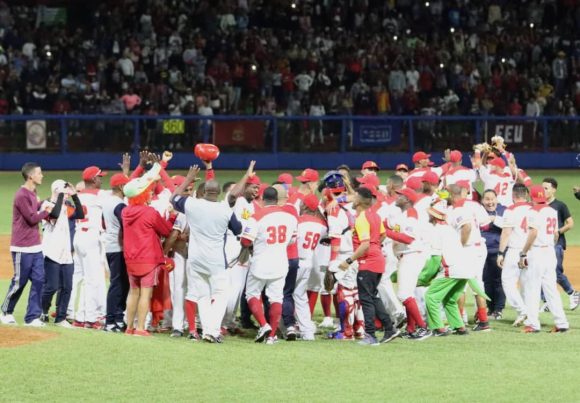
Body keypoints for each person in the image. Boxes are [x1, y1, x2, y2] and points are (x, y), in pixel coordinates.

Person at [171, 169, 242, 343]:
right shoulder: (224, 209)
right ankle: (212, 331)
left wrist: (188, 179)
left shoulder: (192, 204)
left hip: (195, 258)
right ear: (218, 193)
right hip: (216, 260)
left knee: (202, 296)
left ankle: (207, 331)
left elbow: (173, 198)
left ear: (204, 192)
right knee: (220, 295)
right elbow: (238, 229)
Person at [338, 187, 400, 345]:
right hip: (378, 260)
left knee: (366, 299)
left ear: (359, 201)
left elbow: (365, 244)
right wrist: (375, 248)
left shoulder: (361, 218)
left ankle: (370, 336)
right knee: (373, 296)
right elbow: (383, 234)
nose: (352, 199)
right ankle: (389, 328)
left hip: (368, 262)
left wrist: (349, 261)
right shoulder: (375, 215)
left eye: (354, 197)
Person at [122, 163, 176, 337]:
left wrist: (155, 169)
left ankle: (129, 327)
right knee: (146, 294)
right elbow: (166, 230)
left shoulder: (125, 211)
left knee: (133, 291)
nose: (151, 192)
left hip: (130, 257)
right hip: (148, 258)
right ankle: (140, 329)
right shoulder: (150, 212)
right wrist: (173, 215)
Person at [241, 187, 298, 345]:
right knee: (276, 298)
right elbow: (292, 240)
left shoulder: (257, 216)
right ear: (277, 200)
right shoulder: (290, 217)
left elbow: (246, 241)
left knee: (252, 294)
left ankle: (263, 325)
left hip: (260, 261)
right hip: (280, 261)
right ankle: (272, 336)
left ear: (262, 199)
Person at [1, 163, 53, 326]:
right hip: (22, 246)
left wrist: (48, 200)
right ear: (31, 176)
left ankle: (32, 317)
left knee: (39, 280)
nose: (42, 175)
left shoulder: (32, 192)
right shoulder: (22, 195)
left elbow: (34, 208)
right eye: (39, 173)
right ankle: (5, 312)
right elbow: (31, 218)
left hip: (35, 245)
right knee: (20, 281)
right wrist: (47, 211)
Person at [519, 185, 569, 333]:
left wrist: (523, 252)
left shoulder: (533, 211)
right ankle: (562, 323)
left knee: (532, 289)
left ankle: (533, 324)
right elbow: (555, 234)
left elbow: (533, 233)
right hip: (549, 252)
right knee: (551, 289)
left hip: (537, 253)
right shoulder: (552, 211)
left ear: (531, 197)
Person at [386, 187, 431, 340]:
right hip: (407, 255)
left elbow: (408, 238)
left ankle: (423, 327)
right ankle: (411, 328)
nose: (397, 196)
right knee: (408, 293)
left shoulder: (411, 214)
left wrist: (385, 232)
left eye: (400, 195)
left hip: (412, 255)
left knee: (403, 294)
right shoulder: (404, 214)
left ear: (407, 200)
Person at [40, 180, 84, 328]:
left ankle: (61, 318)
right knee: (51, 287)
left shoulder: (66, 207)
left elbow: (80, 214)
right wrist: (60, 196)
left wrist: (75, 195)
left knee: (67, 287)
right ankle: (43, 310)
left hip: (66, 253)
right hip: (51, 253)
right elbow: (55, 214)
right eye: (64, 192)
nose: (66, 195)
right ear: (57, 190)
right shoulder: (46, 205)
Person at [424, 201, 470, 336]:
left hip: (451, 269)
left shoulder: (436, 231)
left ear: (433, 216)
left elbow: (435, 259)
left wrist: (425, 277)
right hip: (465, 269)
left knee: (431, 296)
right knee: (449, 299)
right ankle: (459, 326)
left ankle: (438, 328)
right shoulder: (450, 229)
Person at [71, 165, 108, 329]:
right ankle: (90, 319)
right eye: (100, 177)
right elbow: (123, 191)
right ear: (93, 179)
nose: (101, 179)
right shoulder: (100, 195)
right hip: (91, 237)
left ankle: (80, 316)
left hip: (78, 237)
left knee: (85, 278)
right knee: (92, 280)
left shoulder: (79, 196)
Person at [293, 194, 327, 341]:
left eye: (302, 204)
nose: (299, 205)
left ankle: (288, 326)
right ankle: (307, 331)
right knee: (300, 298)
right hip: (308, 262)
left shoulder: (297, 222)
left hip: (295, 262)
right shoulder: (322, 226)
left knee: (285, 295)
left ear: (305, 206)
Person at [542, 178, 579, 310]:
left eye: (546, 188)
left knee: (555, 272)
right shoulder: (540, 205)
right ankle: (547, 301)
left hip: (556, 244)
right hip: (542, 244)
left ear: (554, 190)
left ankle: (573, 293)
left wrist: (558, 231)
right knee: (540, 272)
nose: (543, 190)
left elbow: (570, 223)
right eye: (542, 188)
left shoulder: (560, 205)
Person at [497, 184, 531, 326]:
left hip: (515, 250)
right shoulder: (533, 209)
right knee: (527, 284)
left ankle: (522, 310)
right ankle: (529, 315)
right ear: (526, 195)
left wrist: (500, 253)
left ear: (513, 195)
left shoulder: (510, 210)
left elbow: (506, 233)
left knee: (507, 281)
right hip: (531, 250)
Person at [101, 173, 130, 332]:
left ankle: (118, 318)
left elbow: (103, 223)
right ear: (121, 187)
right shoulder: (120, 205)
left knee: (121, 284)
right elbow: (126, 227)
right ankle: (111, 321)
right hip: (118, 248)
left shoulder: (108, 202)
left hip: (110, 246)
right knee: (118, 284)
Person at [480, 189, 506, 319]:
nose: (490, 202)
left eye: (492, 199)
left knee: (498, 281)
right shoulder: (478, 211)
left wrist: (494, 219)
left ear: (497, 199)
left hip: (497, 251)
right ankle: (490, 309)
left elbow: (508, 227)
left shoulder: (504, 210)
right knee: (486, 281)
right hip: (482, 252)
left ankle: (499, 309)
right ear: (482, 201)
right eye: (487, 199)